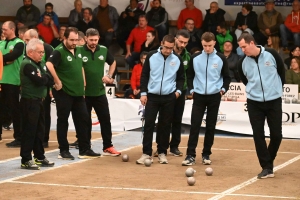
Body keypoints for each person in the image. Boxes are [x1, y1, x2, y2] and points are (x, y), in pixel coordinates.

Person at [46, 27, 100, 160]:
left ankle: (84, 148)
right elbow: (48, 64)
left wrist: (84, 84)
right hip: (64, 92)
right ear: (64, 38)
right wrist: (57, 81)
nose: (74, 42)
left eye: (76, 40)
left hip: (78, 92)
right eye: (71, 40)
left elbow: (80, 66)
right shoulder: (58, 51)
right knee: (63, 120)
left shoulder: (78, 50)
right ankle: (63, 150)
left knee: (83, 119)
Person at [237, 32, 285, 179]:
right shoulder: (242, 63)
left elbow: (281, 73)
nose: (242, 50)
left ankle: (268, 161)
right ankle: (266, 167)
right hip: (254, 103)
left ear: (252, 43)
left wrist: (275, 90)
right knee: (258, 135)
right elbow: (245, 81)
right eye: (240, 47)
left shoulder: (271, 54)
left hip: (274, 100)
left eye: (244, 46)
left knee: (277, 135)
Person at [182, 32, 230, 166]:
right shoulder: (195, 57)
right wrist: (192, 90)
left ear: (214, 43)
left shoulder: (221, 58)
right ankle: (190, 155)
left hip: (215, 96)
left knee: (210, 126)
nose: (207, 48)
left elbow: (227, 77)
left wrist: (222, 90)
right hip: (198, 95)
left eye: (209, 45)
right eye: (204, 45)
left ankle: (206, 154)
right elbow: (189, 75)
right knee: (195, 125)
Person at [136, 34, 185, 165]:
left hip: (169, 97)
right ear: (161, 44)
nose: (168, 50)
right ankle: (146, 152)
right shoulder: (151, 56)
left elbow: (181, 77)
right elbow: (144, 75)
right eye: (166, 47)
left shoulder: (177, 59)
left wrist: (178, 92)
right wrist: (143, 93)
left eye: (171, 48)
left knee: (165, 126)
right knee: (149, 124)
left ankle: (162, 152)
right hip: (152, 96)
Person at [79, 28, 121, 156]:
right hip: (85, 93)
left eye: (96, 40)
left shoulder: (103, 49)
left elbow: (113, 62)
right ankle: (86, 147)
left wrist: (108, 75)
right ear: (86, 38)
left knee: (105, 120)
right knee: (85, 122)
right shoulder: (79, 50)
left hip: (99, 92)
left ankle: (108, 146)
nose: (93, 42)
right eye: (91, 40)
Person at [154, 29, 191, 157]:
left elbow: (187, 75)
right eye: (180, 41)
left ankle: (174, 146)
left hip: (180, 92)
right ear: (175, 39)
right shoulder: (165, 52)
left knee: (177, 119)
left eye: (185, 43)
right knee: (163, 120)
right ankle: (160, 146)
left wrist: (183, 90)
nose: (182, 45)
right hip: (165, 91)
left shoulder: (187, 56)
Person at [19, 38, 55, 170]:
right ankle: (26, 159)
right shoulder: (27, 64)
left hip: (39, 100)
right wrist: (45, 78)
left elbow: (49, 79)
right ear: (30, 52)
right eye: (39, 52)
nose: (42, 54)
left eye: (42, 52)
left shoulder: (41, 63)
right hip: (29, 102)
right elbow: (39, 81)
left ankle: (39, 156)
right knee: (29, 131)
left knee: (40, 130)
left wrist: (44, 78)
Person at [22, 29, 54, 148]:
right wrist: (44, 77)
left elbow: (50, 71)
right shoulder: (28, 57)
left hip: (44, 92)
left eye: (27, 40)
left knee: (44, 117)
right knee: (32, 124)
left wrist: (48, 83)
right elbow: (39, 78)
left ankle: (44, 140)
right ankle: (32, 151)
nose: (25, 42)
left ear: (35, 37)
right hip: (32, 94)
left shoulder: (48, 48)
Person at [0, 21, 25, 148]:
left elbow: (14, 55)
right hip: (1, 80)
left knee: (15, 109)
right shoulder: (1, 43)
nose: (3, 31)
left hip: (13, 80)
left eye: (5, 29)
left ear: (12, 29)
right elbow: (8, 58)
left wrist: (2, 59)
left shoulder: (19, 43)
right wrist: (6, 60)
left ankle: (19, 137)